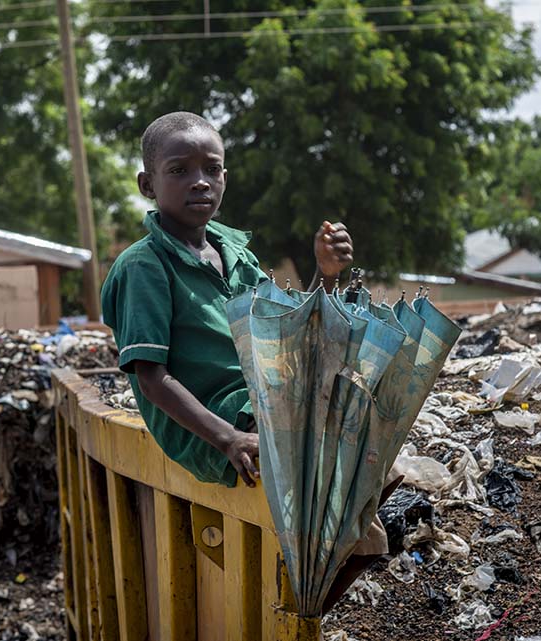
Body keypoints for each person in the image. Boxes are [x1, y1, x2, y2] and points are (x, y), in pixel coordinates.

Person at [100, 111, 395, 614]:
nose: (199, 181)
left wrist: (325, 276)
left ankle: (324, 576)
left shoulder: (235, 252)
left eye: (211, 169)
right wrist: (227, 438)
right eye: (179, 170)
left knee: (375, 433)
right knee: (344, 464)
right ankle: (313, 591)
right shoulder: (144, 267)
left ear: (224, 178)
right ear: (148, 184)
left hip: (266, 402)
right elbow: (151, 378)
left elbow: (289, 337)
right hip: (212, 421)